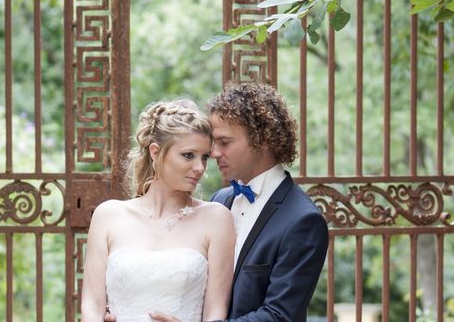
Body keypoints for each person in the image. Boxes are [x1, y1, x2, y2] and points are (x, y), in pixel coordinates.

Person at [109, 82, 329, 322]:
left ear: (263, 140)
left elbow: (280, 315)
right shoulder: (221, 201)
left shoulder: (302, 220)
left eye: (224, 142)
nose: (213, 154)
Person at [81, 98, 236, 322]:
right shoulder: (108, 215)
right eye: (188, 155)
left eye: (204, 158)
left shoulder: (217, 219)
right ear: (155, 152)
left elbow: (215, 314)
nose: (199, 168)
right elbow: (91, 307)